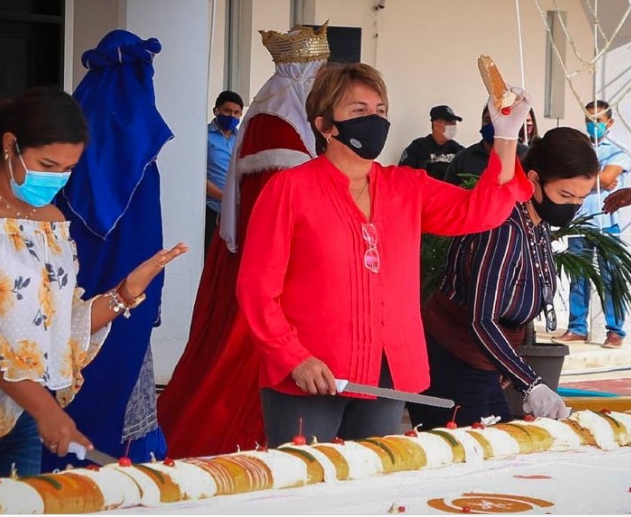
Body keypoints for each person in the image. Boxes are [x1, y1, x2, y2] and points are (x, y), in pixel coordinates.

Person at [236, 62, 534, 446]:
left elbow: (484, 211)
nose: (373, 120)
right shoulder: (289, 189)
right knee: (307, 493)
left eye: (379, 111)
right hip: (312, 375)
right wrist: (293, 357)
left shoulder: (405, 187)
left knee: (371, 487)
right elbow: (256, 289)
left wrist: (506, 137)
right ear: (325, 125)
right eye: (358, 111)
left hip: (388, 371)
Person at [0, 86, 187, 482]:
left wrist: (124, 293)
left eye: (67, 169)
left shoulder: (52, 223)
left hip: (24, 410)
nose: (57, 179)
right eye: (47, 164)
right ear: (11, 145)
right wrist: (47, 411)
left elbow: (63, 326)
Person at [158, 23, 330, 458]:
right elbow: (277, 210)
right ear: (302, 73)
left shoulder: (283, 116)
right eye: (319, 71)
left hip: (266, 259)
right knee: (240, 360)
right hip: (268, 265)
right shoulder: (278, 125)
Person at [44, 30, 176, 472]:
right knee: (117, 396)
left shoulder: (63, 148)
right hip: (123, 297)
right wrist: (143, 302)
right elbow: (144, 242)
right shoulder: (139, 154)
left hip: (59, 296)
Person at [409, 127, 598, 430]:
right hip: (453, 362)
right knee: (470, 460)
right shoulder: (505, 226)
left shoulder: (537, 222)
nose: (572, 206)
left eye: (581, 198)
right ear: (534, 179)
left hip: (485, 362)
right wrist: (530, 382)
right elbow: (481, 319)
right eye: (565, 194)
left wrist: (505, 362)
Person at [553, 100, 631, 349]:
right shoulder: (580, 150)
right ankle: (577, 327)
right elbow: (564, 174)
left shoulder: (618, 151)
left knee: (611, 279)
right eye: (588, 120)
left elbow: (609, 177)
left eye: (597, 120)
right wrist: (596, 179)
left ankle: (615, 331)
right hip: (579, 223)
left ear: (609, 123)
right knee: (578, 276)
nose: (592, 124)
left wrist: (585, 177)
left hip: (606, 224)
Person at [445, 104, 529, 186]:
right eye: (487, 120)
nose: (492, 125)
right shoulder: (463, 158)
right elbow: (448, 194)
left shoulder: (526, 155)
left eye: (498, 120)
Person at [205, 91, 243, 256]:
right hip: (213, 210)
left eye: (236, 113)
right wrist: (224, 196)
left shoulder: (243, 138)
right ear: (216, 111)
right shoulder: (203, 136)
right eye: (227, 111)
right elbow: (197, 177)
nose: (232, 116)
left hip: (237, 210)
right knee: (211, 256)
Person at [399, 104, 465, 180]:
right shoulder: (417, 148)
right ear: (436, 124)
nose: (452, 127)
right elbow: (403, 178)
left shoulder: (459, 151)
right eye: (449, 123)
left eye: (454, 123)